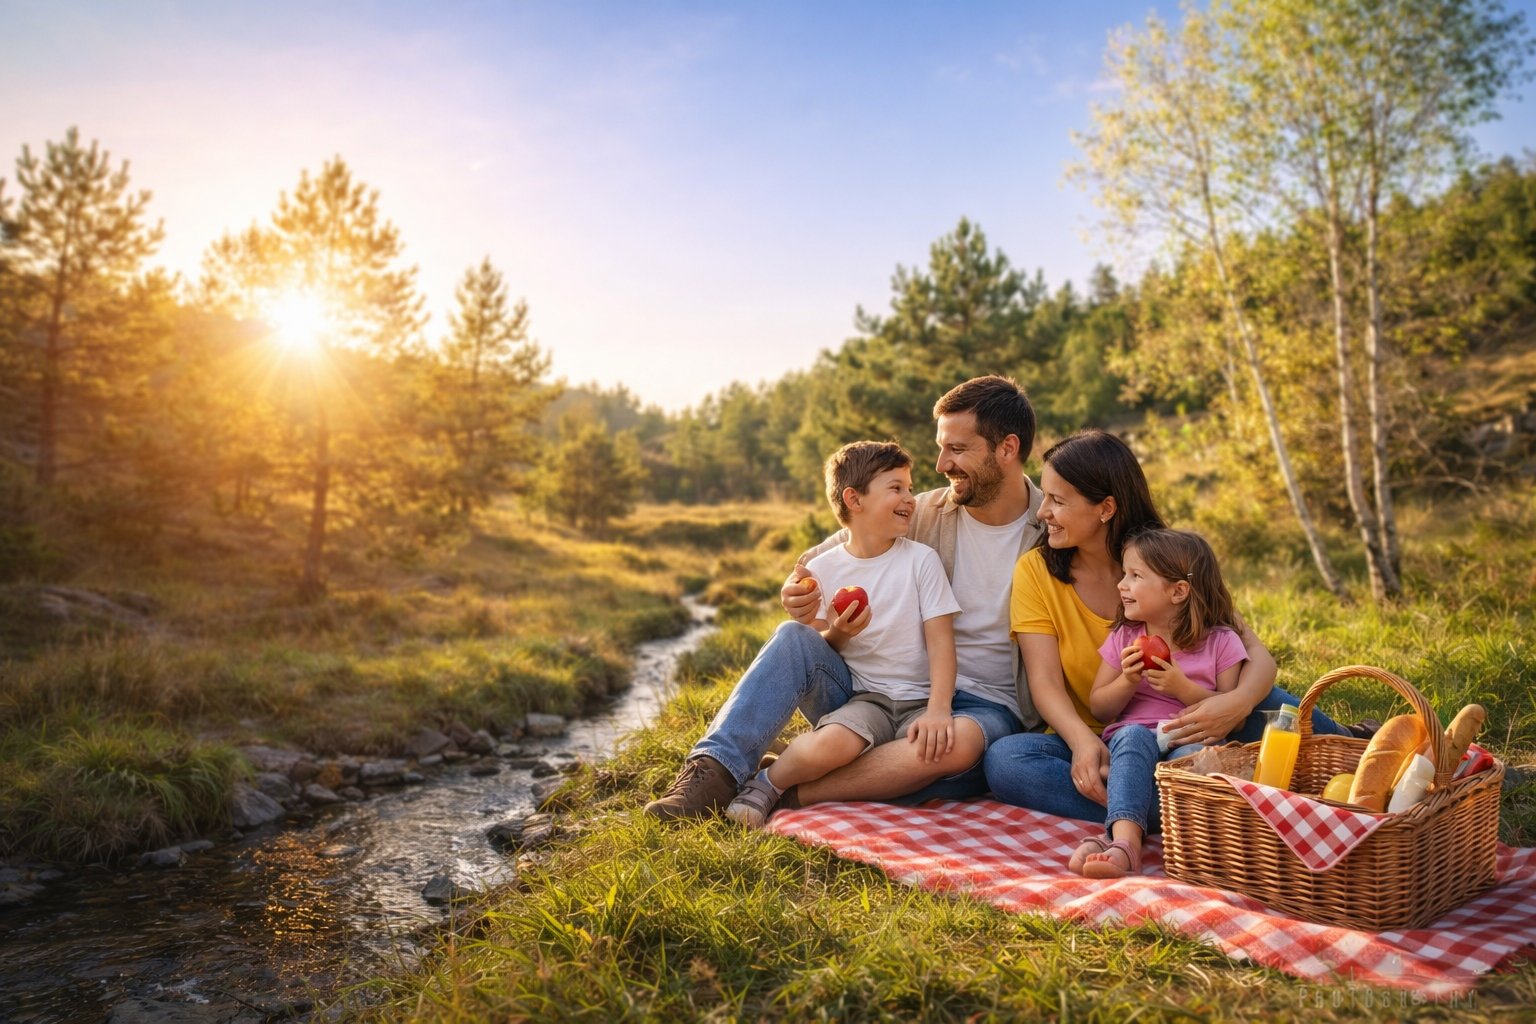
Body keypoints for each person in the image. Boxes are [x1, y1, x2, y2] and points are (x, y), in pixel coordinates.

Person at [645, 375, 1043, 820]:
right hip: (873, 693)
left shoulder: (1051, 530)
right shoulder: (926, 511)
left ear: (1007, 449)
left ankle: (789, 789)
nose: (939, 464)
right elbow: (833, 550)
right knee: (793, 636)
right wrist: (795, 590)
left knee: (958, 748)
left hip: (983, 706)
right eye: (940, 447)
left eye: (957, 449)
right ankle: (712, 774)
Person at [984, 429, 1353, 842]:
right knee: (1006, 761)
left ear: (1105, 508)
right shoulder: (1037, 572)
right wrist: (1082, 745)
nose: (1042, 513)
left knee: (1271, 707)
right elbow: (1045, 684)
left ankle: (1354, 756)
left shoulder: (1166, 557)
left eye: (1057, 500)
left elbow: (1257, 656)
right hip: (1105, 736)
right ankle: (1192, 804)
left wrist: (1234, 703)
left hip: (1195, 725)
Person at [725, 441, 961, 827]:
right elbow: (822, 650)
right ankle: (766, 784)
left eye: (910, 487)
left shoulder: (921, 561)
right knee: (831, 743)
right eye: (896, 488)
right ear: (854, 499)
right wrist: (839, 631)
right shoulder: (823, 568)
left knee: (945, 750)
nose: (910, 498)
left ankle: (796, 783)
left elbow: (941, 641)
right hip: (867, 697)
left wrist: (939, 708)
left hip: (921, 700)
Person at [1072, 528, 1245, 878]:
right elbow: (1100, 708)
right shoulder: (1126, 636)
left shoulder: (1221, 642)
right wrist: (1127, 681)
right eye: (1124, 574)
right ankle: (1126, 845)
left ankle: (1120, 819)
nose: (1122, 584)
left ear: (1178, 591)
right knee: (1133, 737)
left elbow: (1234, 716)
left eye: (1135, 576)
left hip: (1192, 741)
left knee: (1187, 771)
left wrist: (1183, 688)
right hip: (1133, 743)